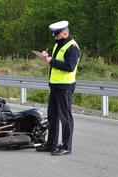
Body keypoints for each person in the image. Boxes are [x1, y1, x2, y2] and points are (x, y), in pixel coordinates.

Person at [36, 20, 80, 156]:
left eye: (57, 35)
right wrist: (46, 57)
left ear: (65, 33)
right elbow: (55, 62)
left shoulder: (72, 48)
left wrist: (51, 61)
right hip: (55, 86)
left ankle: (66, 146)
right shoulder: (58, 45)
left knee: (65, 118)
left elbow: (69, 66)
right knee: (52, 117)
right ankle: (51, 144)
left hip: (65, 87)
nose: (54, 37)